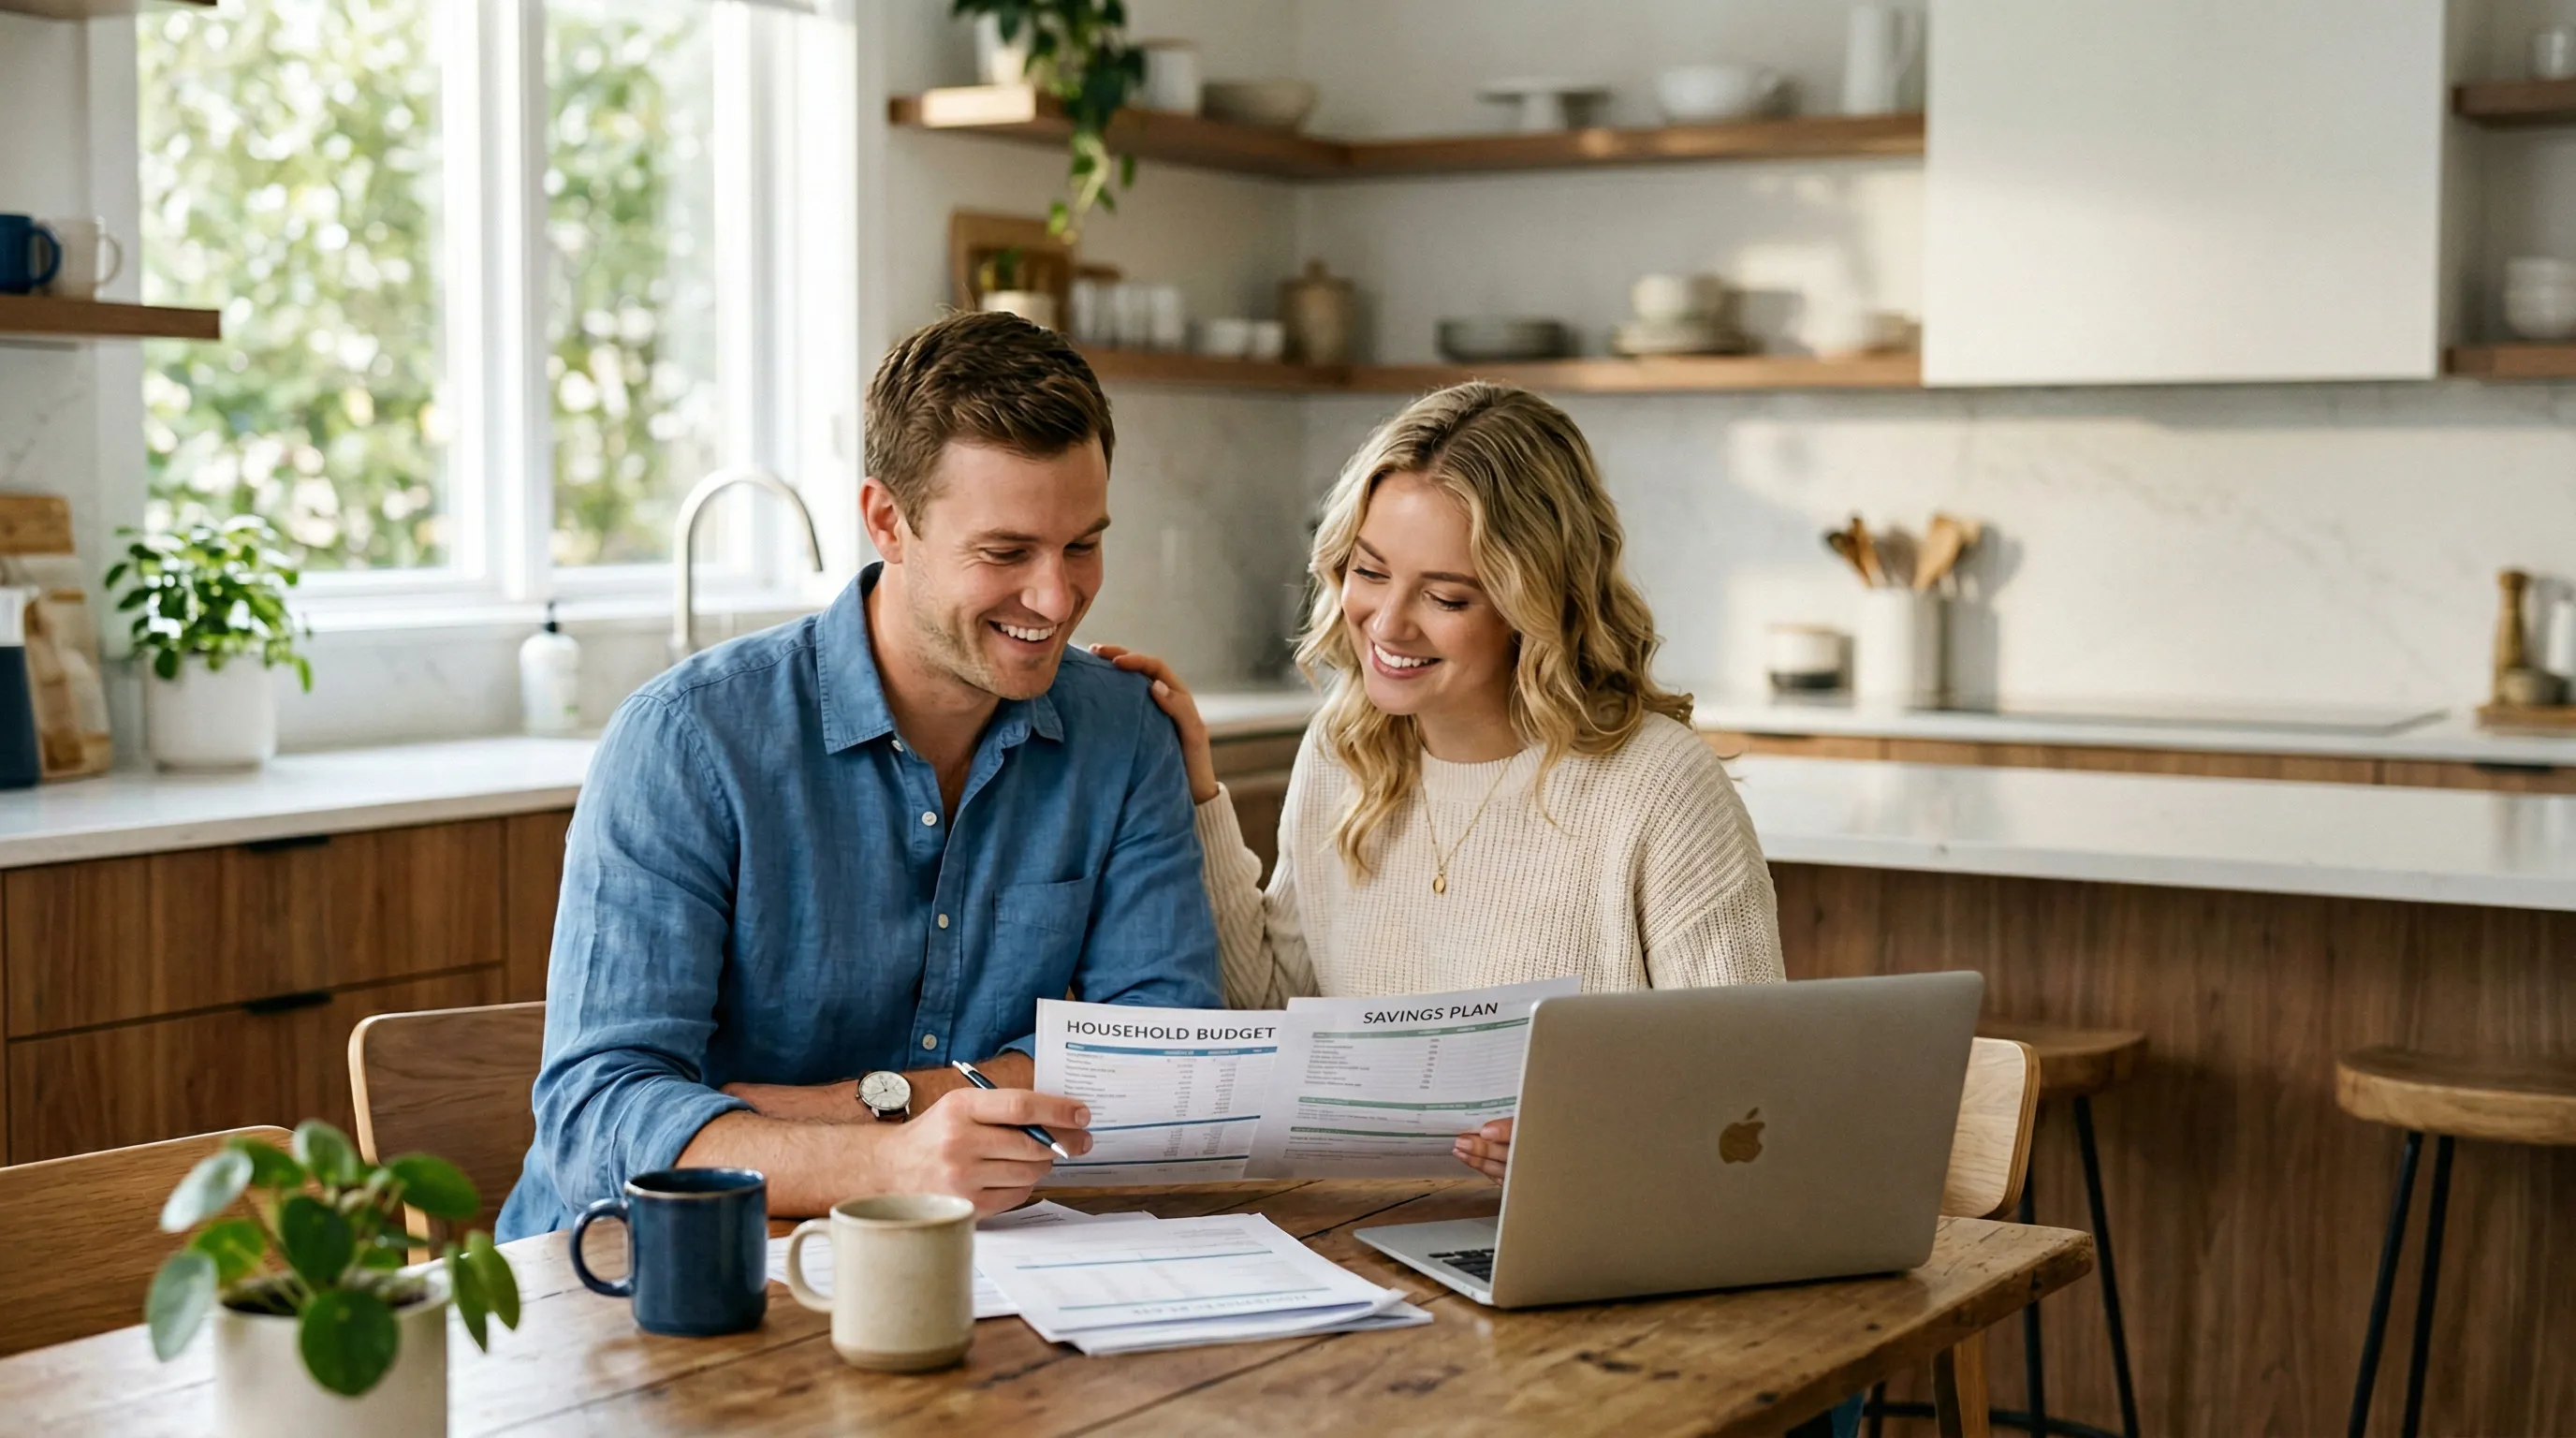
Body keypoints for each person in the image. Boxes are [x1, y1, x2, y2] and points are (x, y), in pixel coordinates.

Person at [496, 312, 1222, 1241]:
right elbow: (598, 1115)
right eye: (1006, 553)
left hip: (976, 1267)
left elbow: (1166, 1060)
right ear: (888, 520)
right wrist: (892, 1162)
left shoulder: (1122, 732)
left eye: (1081, 543)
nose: (1056, 597)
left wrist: (848, 1107)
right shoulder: (685, 742)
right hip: (638, 1276)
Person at [1092, 381, 1785, 1187]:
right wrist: (1200, 795)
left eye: (1446, 595)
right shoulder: (1343, 749)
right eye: (1369, 571)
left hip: (1594, 1229)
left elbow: (1751, 1087)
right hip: (1375, 1224)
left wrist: (1587, 1140)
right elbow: (1275, 1006)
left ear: (1537, 603)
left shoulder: (1658, 784)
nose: (1387, 623)